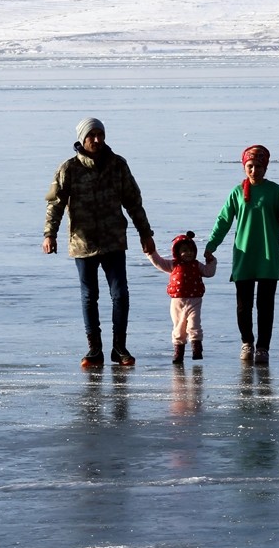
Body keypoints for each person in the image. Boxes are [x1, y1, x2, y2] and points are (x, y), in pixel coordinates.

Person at [44, 117, 156, 367]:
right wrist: (49, 234)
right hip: (83, 243)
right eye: (91, 135)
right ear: (82, 138)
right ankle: (94, 350)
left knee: (120, 295)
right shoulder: (68, 169)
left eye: (100, 135)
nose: (96, 140)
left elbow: (134, 202)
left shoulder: (118, 165)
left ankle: (119, 348)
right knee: (89, 296)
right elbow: (55, 205)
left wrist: (145, 233)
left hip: (113, 241)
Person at [204, 144, 279, 365]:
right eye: (250, 166)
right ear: (244, 167)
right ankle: (247, 343)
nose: (254, 170)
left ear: (265, 167)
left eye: (258, 166)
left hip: (268, 258)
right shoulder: (237, 192)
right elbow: (223, 221)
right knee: (243, 306)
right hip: (244, 257)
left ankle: (262, 348)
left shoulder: (275, 192)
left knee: (265, 306)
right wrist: (211, 246)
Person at [146, 231, 218, 364]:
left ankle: (197, 348)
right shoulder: (173, 265)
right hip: (177, 301)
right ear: (177, 253)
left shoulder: (197, 265)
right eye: (184, 250)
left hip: (195, 301)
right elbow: (159, 262)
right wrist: (151, 253)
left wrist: (211, 261)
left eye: (191, 250)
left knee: (194, 324)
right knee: (178, 326)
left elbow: (209, 272)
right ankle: (178, 352)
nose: (188, 253)